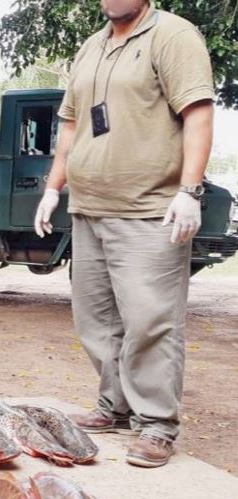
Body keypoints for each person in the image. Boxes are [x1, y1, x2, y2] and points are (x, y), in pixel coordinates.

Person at [35, 0, 215, 467]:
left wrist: (190, 191)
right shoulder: (91, 46)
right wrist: (53, 189)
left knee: (150, 321)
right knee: (96, 320)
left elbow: (198, 114)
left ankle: (156, 424)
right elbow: (72, 125)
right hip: (89, 208)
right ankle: (113, 406)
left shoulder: (173, 35)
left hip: (149, 210)